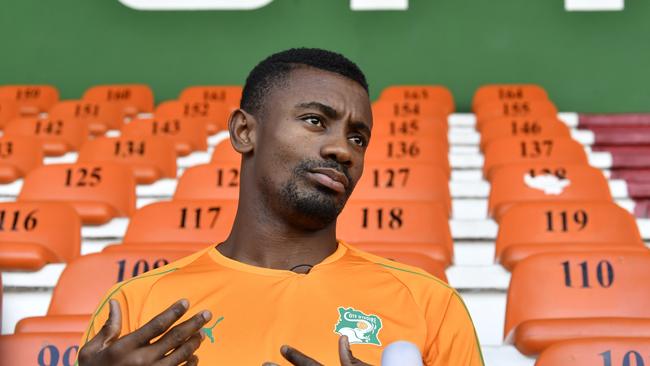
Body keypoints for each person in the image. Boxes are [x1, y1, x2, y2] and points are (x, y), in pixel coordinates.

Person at [77, 48, 484, 366]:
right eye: (314, 120)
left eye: (358, 138)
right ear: (243, 131)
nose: (342, 149)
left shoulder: (429, 303)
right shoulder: (136, 304)